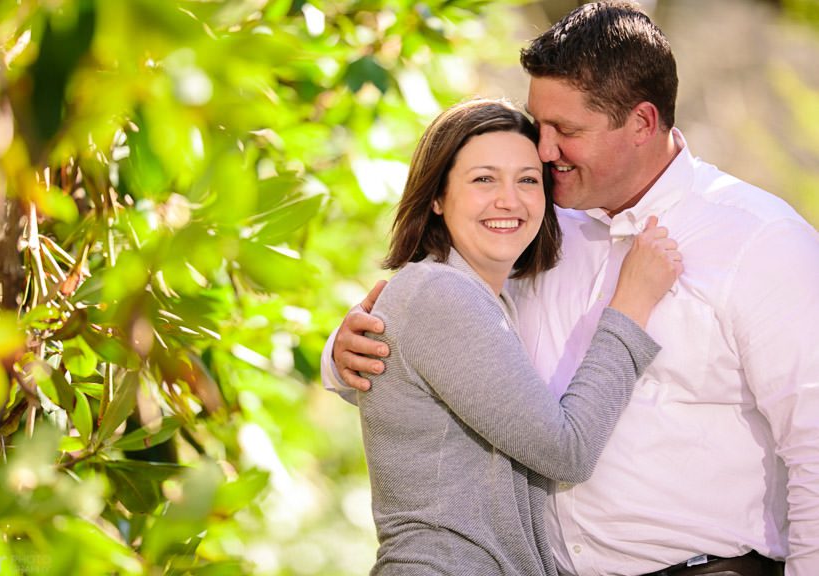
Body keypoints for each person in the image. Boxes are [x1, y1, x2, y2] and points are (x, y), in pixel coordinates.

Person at [322, 2, 819, 576]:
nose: (546, 150)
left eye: (568, 131)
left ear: (641, 123)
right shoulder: (541, 227)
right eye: (540, 126)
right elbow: (453, 333)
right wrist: (345, 353)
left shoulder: (761, 241)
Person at [356, 97, 680, 576]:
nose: (509, 199)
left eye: (527, 179)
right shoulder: (440, 293)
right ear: (438, 197)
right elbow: (566, 452)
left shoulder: (488, 298)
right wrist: (631, 305)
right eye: (483, 179)